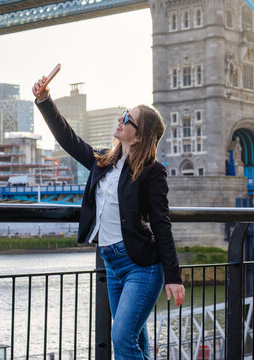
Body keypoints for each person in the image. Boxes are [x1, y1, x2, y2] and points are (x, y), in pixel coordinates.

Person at [32, 76, 185, 360]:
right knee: (135, 339)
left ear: (139, 136)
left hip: (141, 267)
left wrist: (173, 277)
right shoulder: (102, 160)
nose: (120, 118)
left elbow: (161, 224)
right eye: (124, 113)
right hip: (112, 264)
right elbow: (68, 137)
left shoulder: (152, 172)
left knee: (122, 338)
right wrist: (44, 100)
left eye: (128, 118)